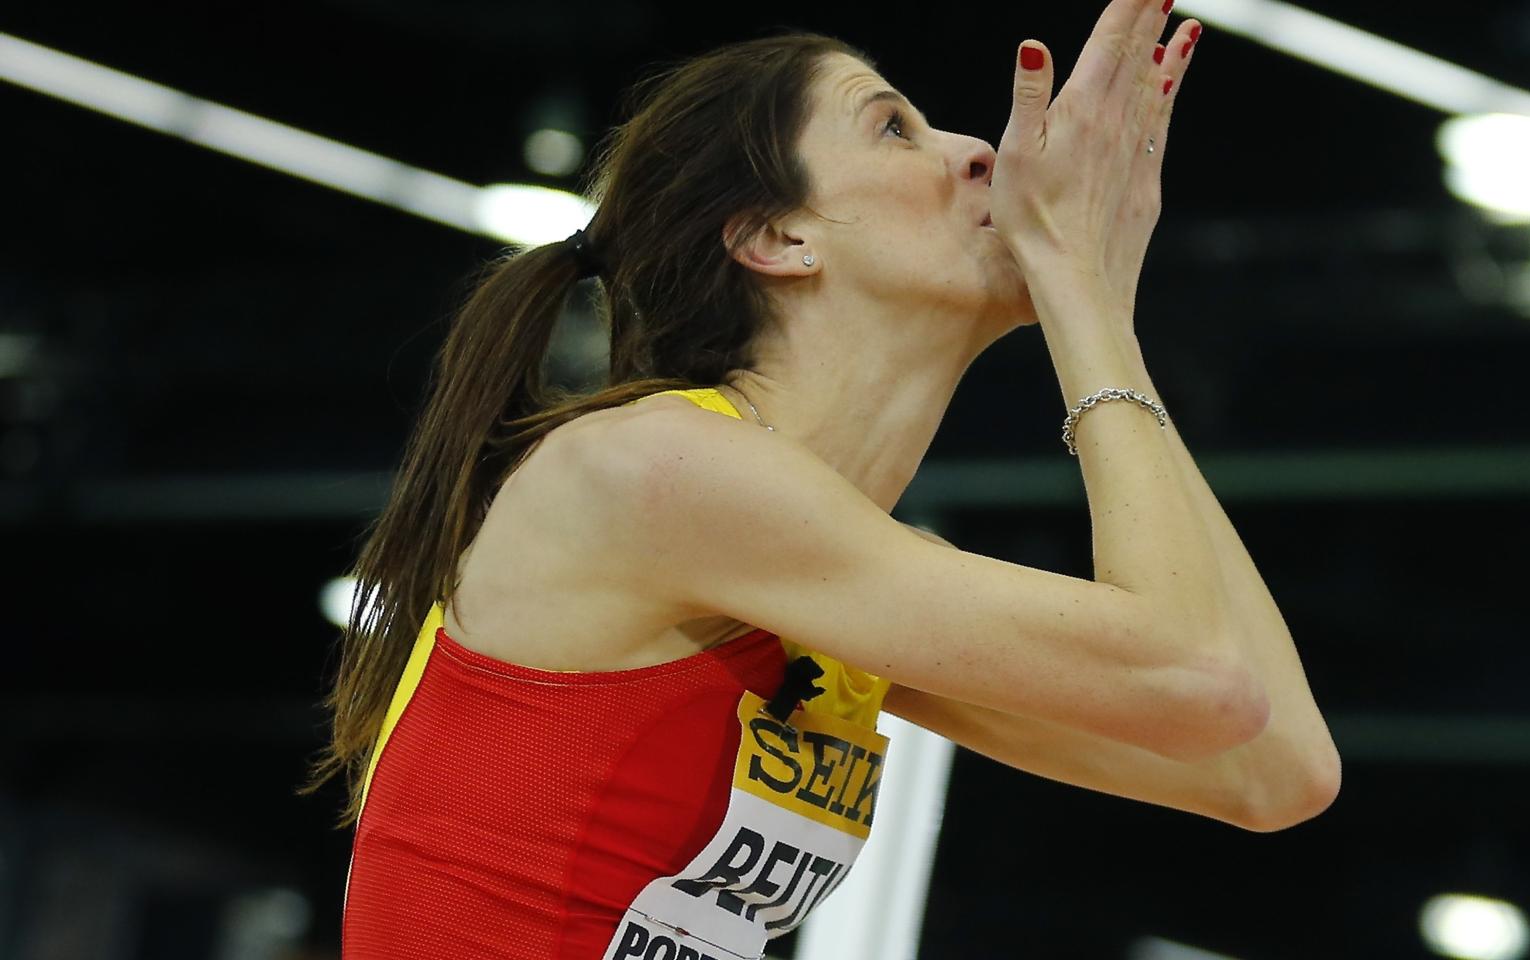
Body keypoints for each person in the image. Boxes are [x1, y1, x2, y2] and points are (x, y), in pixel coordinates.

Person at [305, 1, 1339, 957]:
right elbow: (1200, 678)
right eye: (893, 127)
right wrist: (1078, 295)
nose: (977, 152)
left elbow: (1271, 767)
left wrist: (1101, 315)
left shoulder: (836, 580)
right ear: (775, 237)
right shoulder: (654, 468)